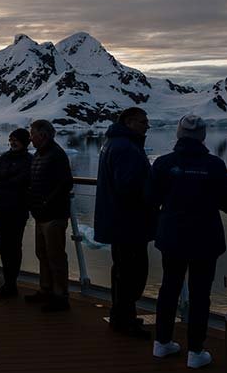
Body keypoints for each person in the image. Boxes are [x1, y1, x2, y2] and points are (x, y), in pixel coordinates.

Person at [145, 115, 227, 369]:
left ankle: (162, 343)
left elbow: (150, 198)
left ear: (178, 135)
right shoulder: (214, 165)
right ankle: (195, 351)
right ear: (203, 137)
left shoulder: (163, 163)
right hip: (205, 238)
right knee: (200, 294)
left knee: (169, 288)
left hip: (172, 236)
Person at [94, 107, 155, 337]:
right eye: (143, 121)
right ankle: (125, 320)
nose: (146, 126)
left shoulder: (114, 143)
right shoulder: (126, 148)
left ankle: (121, 315)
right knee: (133, 271)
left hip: (118, 220)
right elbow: (129, 187)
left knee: (122, 269)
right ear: (129, 122)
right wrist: (151, 198)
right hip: (129, 222)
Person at [23, 120, 74, 312]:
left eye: (33, 134)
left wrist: (46, 202)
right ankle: (46, 289)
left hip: (53, 215)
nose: (30, 138)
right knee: (42, 253)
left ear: (43, 135)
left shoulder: (56, 155)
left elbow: (65, 183)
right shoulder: (41, 153)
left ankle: (61, 296)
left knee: (55, 256)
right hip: (41, 214)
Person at [0, 128, 33, 298]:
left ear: (25, 142)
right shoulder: (6, 156)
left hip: (18, 208)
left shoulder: (29, 160)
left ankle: (11, 284)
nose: (12, 143)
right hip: (1, 207)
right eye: (11, 139)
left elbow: (21, 180)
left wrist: (2, 176)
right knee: (4, 246)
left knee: (14, 246)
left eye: (16, 140)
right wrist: (7, 174)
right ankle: (8, 283)